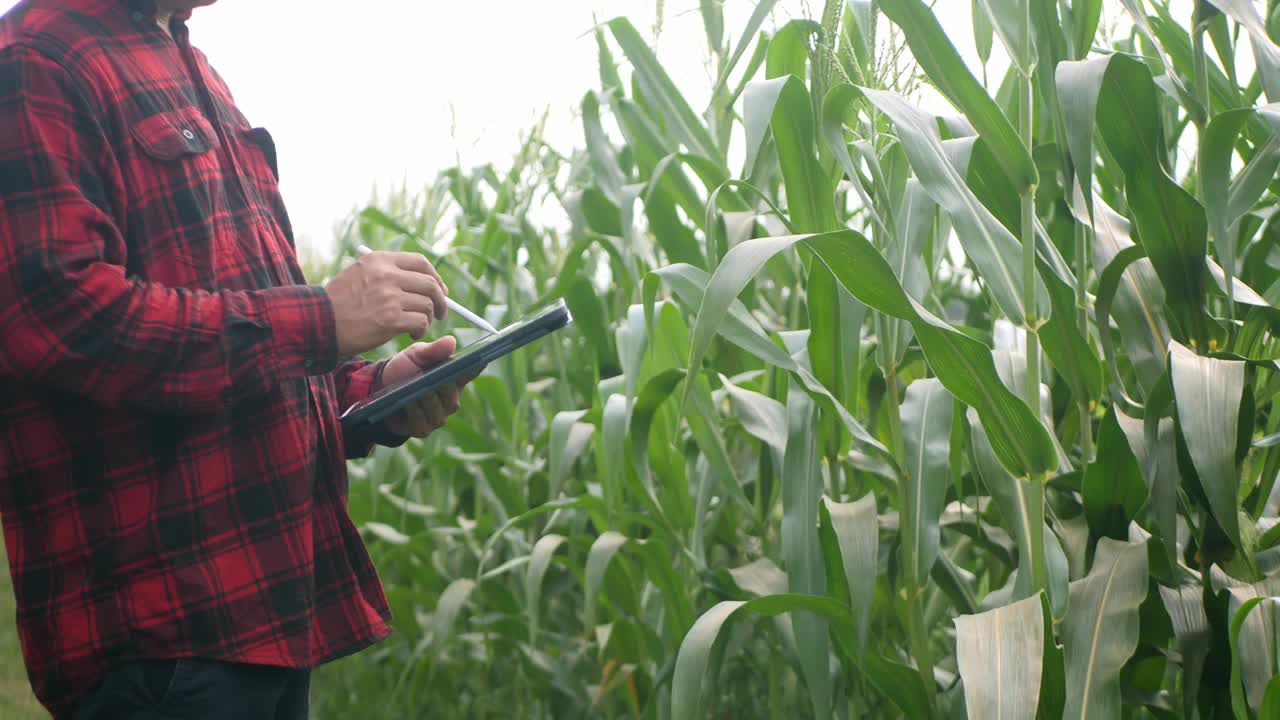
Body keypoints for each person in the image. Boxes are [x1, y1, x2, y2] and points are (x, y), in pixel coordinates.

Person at [0, 1, 473, 717]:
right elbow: (59, 316)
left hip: (268, 619)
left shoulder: (197, 73)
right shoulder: (36, 56)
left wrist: (371, 396)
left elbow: (245, 347)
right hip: (162, 645)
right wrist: (325, 316)